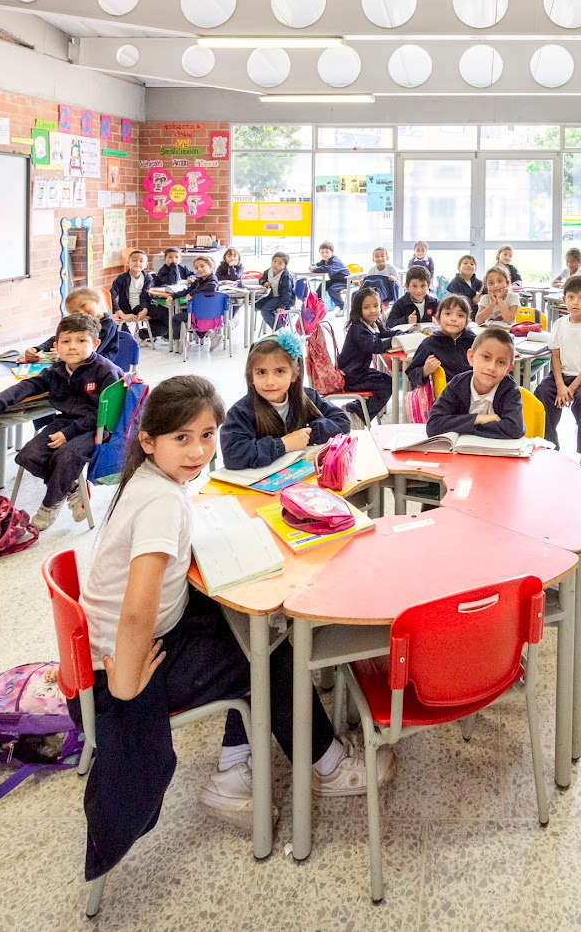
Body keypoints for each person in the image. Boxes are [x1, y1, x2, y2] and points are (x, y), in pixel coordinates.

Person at [70, 375, 388, 884]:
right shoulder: (160, 502)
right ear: (148, 441)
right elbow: (136, 609)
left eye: (206, 435)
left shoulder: (150, 482)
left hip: (120, 646)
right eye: (181, 438)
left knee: (245, 624)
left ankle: (235, 765)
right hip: (123, 665)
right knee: (272, 653)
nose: (198, 452)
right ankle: (326, 765)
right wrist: (126, 684)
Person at [0, 314, 121, 530]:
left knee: (66, 455)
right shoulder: (56, 370)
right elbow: (26, 386)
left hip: (96, 428)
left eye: (81, 340)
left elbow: (106, 414)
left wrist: (69, 433)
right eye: (66, 341)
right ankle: (70, 487)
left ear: (95, 344)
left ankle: (49, 504)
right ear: (56, 346)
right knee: (27, 456)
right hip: (64, 422)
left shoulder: (106, 371)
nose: (72, 347)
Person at [219, 333, 350, 471]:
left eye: (280, 371)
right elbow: (233, 455)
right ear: (251, 376)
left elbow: (342, 421)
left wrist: (307, 435)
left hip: (300, 475)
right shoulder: (241, 412)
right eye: (261, 372)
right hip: (261, 481)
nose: (270, 382)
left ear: (294, 374)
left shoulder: (308, 397)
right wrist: (284, 444)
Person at [538, 275, 581, 471]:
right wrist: (560, 385)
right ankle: (549, 445)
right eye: (571, 297)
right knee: (542, 392)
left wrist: (572, 388)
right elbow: (555, 356)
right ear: (564, 299)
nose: (576, 302)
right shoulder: (559, 324)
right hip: (560, 376)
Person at [426, 327, 525, 439]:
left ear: (509, 369)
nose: (491, 367)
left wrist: (462, 426)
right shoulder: (457, 385)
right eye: (486, 357)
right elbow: (433, 425)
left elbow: (515, 429)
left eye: (501, 362)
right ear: (471, 357)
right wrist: (477, 419)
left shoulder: (509, 390)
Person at [338, 286, 396, 420]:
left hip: (359, 372)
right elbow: (375, 346)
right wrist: (394, 341)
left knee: (389, 381)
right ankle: (360, 417)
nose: (373, 310)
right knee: (386, 386)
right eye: (366, 307)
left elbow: (386, 333)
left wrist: (405, 334)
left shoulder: (372, 323)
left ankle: (354, 408)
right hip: (351, 377)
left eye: (376, 306)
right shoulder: (358, 328)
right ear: (359, 310)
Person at [27, 287, 122, 365]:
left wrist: (64, 355)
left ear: (96, 299)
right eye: (75, 312)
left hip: (98, 368)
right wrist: (37, 349)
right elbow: (59, 338)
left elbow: (90, 351)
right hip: (78, 364)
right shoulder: (80, 323)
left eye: (83, 305)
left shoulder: (108, 325)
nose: (81, 312)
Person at [405, 294, 475, 388]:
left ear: (467, 321)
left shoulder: (474, 342)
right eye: (448, 314)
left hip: (472, 392)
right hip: (442, 395)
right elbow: (411, 374)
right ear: (438, 319)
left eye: (460, 315)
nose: (454, 319)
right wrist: (425, 371)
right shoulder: (429, 344)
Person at [183, 255, 225, 351]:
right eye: (196, 268)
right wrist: (173, 296)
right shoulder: (199, 280)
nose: (199, 269)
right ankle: (212, 335)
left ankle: (183, 344)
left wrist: (192, 294)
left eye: (202, 266)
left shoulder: (212, 280)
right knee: (186, 317)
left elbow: (211, 287)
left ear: (210, 266)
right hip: (208, 316)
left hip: (202, 316)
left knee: (176, 319)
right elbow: (188, 290)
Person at [109, 249, 154, 339]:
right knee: (124, 334)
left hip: (142, 308)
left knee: (162, 314)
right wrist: (122, 314)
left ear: (146, 265)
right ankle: (129, 338)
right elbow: (111, 296)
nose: (137, 263)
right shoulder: (121, 278)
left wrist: (145, 310)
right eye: (134, 260)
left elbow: (147, 296)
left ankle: (142, 334)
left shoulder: (148, 278)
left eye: (141, 261)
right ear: (128, 263)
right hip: (125, 309)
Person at [255, 251, 295, 333]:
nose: (276, 265)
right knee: (256, 305)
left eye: (280, 263)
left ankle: (280, 329)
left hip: (283, 299)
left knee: (265, 311)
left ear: (285, 266)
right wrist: (264, 282)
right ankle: (276, 321)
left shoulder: (286, 276)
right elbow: (261, 279)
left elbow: (287, 293)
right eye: (274, 261)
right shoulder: (268, 271)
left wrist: (282, 306)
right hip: (272, 297)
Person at [310, 241, 350, 310]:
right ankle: (315, 304)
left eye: (327, 252)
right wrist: (312, 266)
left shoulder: (335, 261)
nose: (324, 254)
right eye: (322, 252)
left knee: (332, 289)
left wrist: (314, 269)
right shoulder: (325, 260)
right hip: (335, 281)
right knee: (323, 285)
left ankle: (343, 307)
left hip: (345, 281)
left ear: (332, 252)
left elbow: (327, 269)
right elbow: (318, 265)